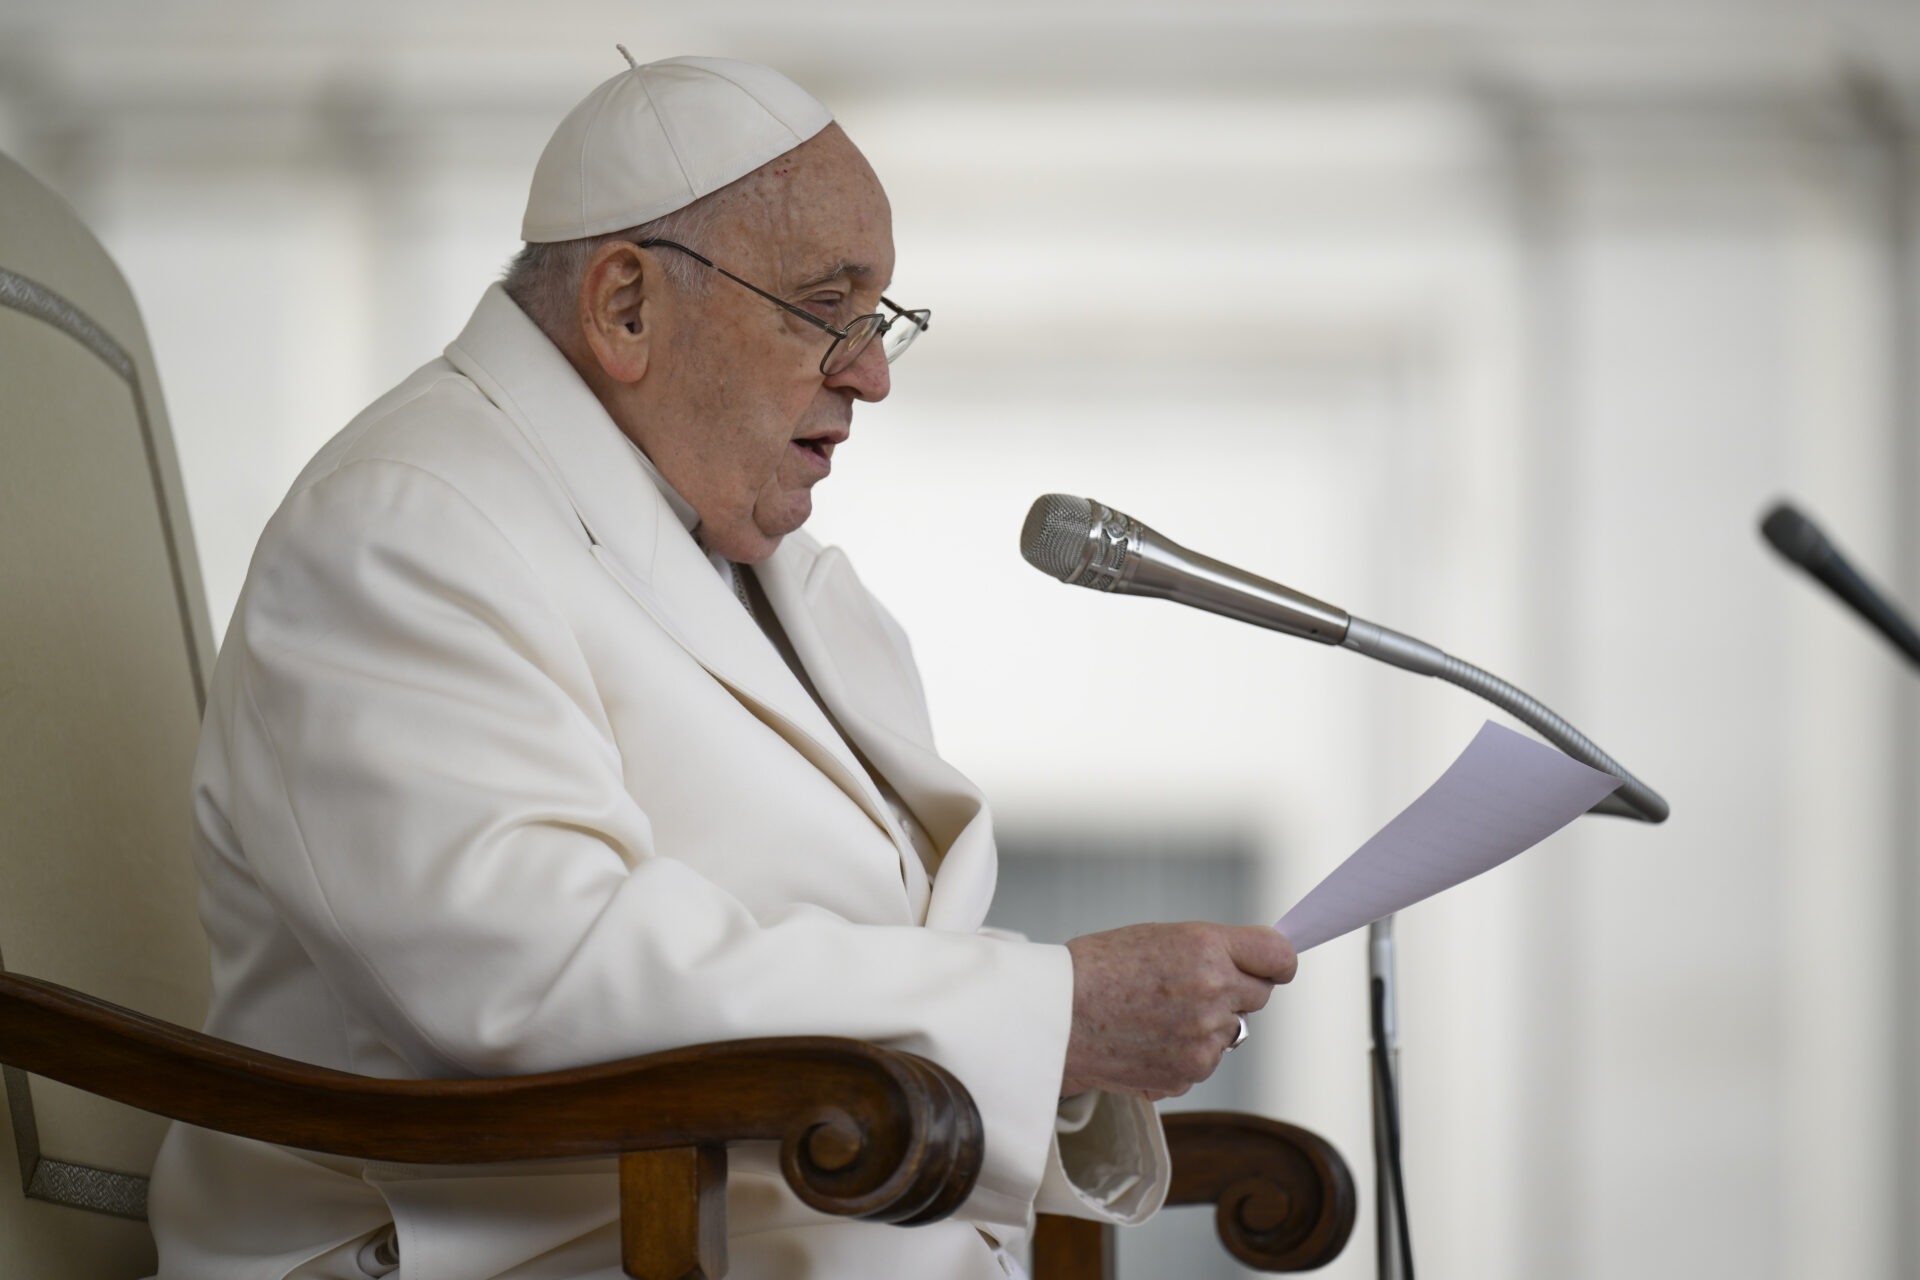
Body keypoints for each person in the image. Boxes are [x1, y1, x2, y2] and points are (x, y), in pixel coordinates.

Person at [146, 53, 1297, 1280]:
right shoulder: (403, 522)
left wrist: (1062, 1041)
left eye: (881, 317)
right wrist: (1050, 1012)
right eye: (826, 307)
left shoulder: (759, 561)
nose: (872, 372)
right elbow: (534, 974)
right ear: (626, 306)